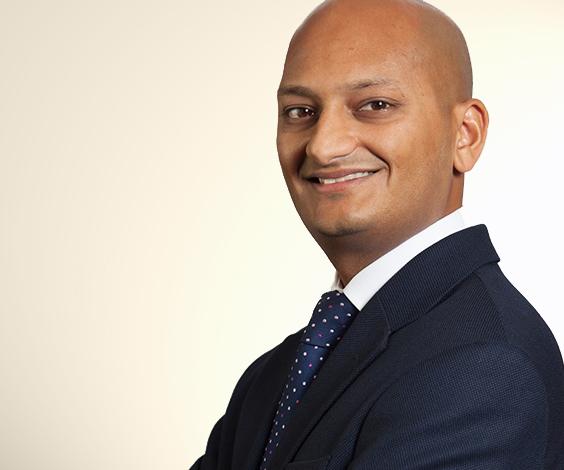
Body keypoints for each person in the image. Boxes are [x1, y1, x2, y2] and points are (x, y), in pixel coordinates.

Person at [190, 1, 564, 469]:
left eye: (375, 106)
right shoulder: (273, 377)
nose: (323, 146)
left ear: (465, 135)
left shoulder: (483, 370)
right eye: (300, 111)